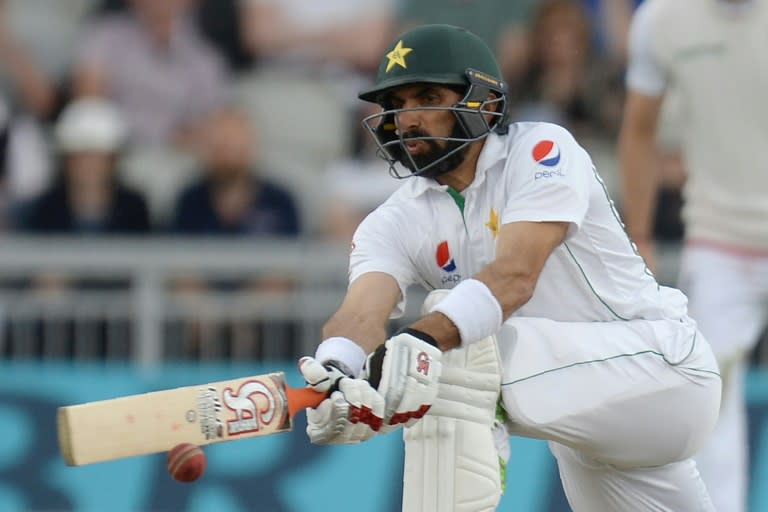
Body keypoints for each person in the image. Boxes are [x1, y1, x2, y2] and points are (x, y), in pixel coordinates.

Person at [296, 24, 721, 511]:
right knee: (444, 348)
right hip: (587, 430)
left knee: (451, 353)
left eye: (427, 97)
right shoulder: (393, 219)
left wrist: (416, 345)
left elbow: (516, 276)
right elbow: (360, 314)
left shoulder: (541, 150)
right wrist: (337, 372)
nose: (407, 119)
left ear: (486, 103)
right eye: (397, 105)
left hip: (659, 373)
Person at [617, 1, 768, 511]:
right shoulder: (660, 20)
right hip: (717, 242)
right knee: (710, 404)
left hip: (718, 243)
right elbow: (639, 130)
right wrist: (639, 236)